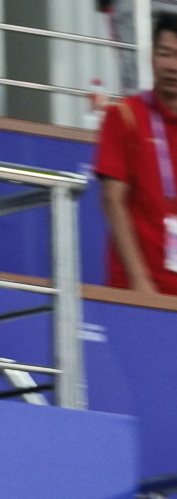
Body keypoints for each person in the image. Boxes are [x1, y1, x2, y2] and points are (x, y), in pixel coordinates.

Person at [96, 14, 177, 298]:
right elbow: (112, 201)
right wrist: (140, 283)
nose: (172, 65)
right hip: (138, 292)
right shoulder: (125, 116)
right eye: (164, 54)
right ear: (151, 57)